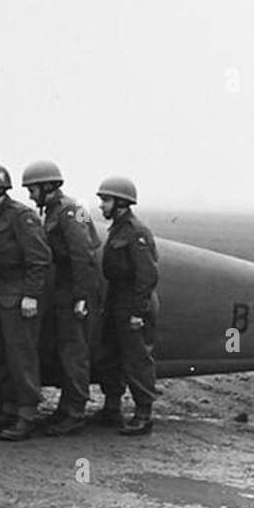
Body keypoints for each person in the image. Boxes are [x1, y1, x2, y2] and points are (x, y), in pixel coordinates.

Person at [0, 163, 51, 442]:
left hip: (18, 297)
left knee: (21, 358)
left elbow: (39, 259)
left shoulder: (21, 217)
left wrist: (31, 295)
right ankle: (8, 408)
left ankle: (27, 414)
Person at [22, 160, 100, 436]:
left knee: (74, 351)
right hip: (63, 288)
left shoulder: (70, 211)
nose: (30, 195)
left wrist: (80, 297)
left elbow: (83, 255)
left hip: (74, 288)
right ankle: (66, 409)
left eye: (33, 189)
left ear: (47, 187)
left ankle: (75, 413)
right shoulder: (55, 211)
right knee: (66, 348)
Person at [94, 176, 159, 435]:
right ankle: (112, 407)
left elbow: (147, 275)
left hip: (133, 299)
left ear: (121, 203)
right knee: (110, 354)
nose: (101, 206)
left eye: (106, 200)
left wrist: (137, 312)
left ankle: (144, 414)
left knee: (136, 359)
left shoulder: (136, 232)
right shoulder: (118, 229)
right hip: (117, 298)